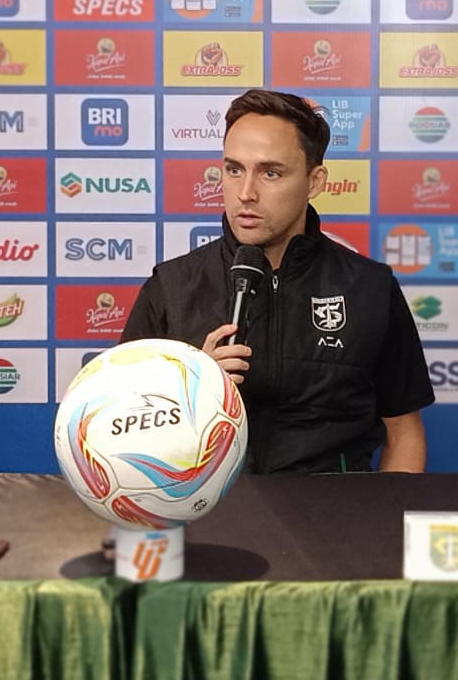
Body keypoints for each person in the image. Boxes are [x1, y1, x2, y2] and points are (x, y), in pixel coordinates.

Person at [121, 88, 433, 473]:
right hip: (212, 517)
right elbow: (119, 435)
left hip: (336, 522)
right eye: (234, 169)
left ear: (315, 181)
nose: (246, 193)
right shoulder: (171, 286)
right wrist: (191, 390)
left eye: (271, 173)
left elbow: (404, 433)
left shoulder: (370, 288)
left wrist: (380, 525)